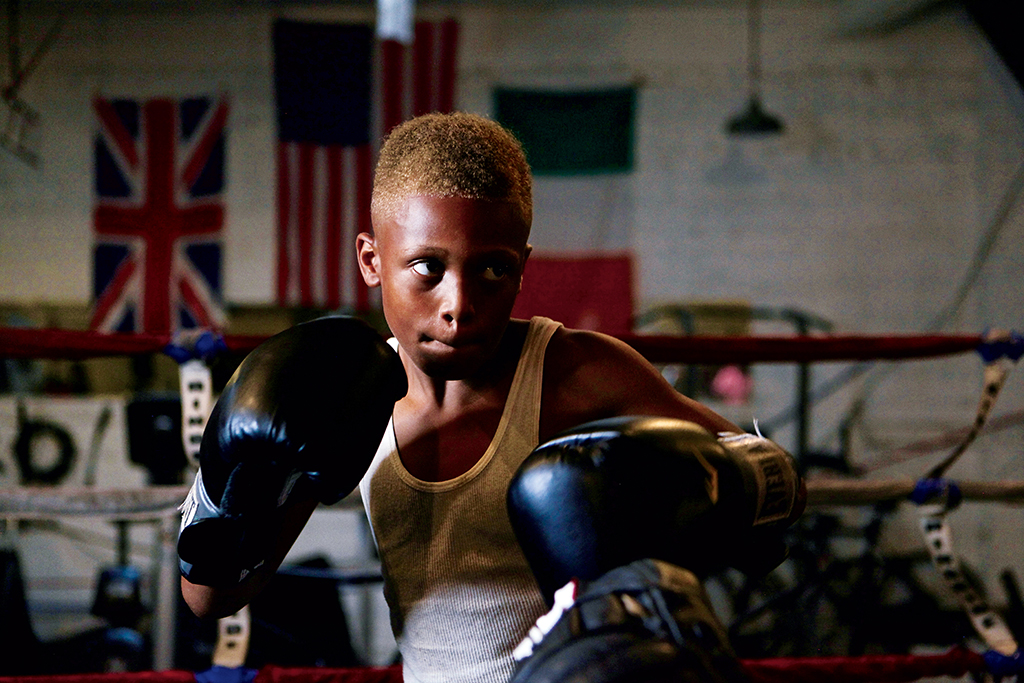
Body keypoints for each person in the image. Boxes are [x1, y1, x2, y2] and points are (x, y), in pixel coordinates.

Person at [181, 112, 798, 683]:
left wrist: (711, 484)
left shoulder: (575, 373)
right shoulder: (342, 396)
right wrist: (229, 485)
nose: (459, 305)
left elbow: (778, 485)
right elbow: (210, 597)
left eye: (493, 269)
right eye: (427, 267)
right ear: (371, 260)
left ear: (523, 267)